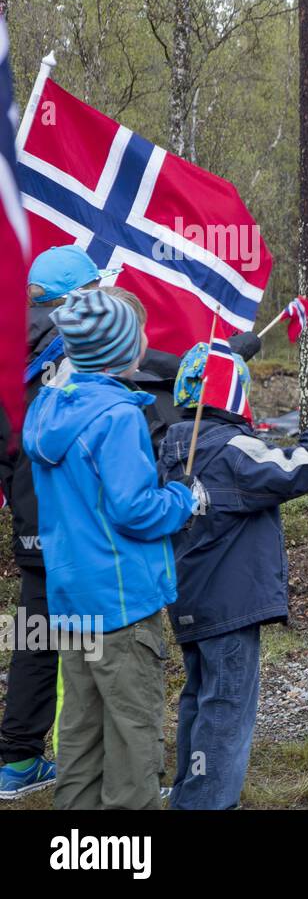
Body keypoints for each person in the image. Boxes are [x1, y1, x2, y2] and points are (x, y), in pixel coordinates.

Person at [23, 289, 203, 809]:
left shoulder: (47, 408)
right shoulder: (118, 417)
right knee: (133, 738)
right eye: (138, 331)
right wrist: (181, 499)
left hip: (73, 602)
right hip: (124, 606)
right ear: (125, 350)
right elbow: (136, 509)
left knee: (80, 733)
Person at [158, 346, 308, 809]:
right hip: (230, 605)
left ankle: (189, 793)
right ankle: (209, 803)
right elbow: (306, 468)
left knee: (199, 699)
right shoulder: (232, 450)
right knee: (225, 708)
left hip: (189, 600)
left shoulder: (171, 447)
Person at [0, 246, 102, 800]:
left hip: (30, 522)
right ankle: (99, 763)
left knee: (34, 639)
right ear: (74, 296)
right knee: (98, 640)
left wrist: (21, 510)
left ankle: (17, 761)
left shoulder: (10, 354)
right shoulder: (79, 347)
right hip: (78, 524)